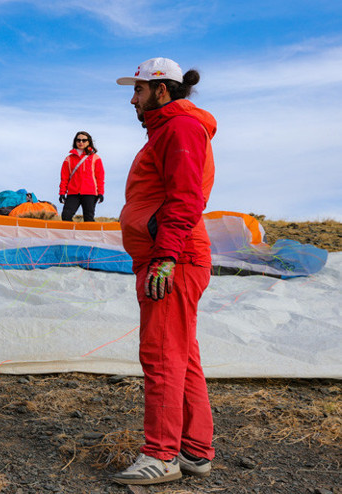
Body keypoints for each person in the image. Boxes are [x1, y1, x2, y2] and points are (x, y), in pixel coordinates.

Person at [111, 58, 217, 485]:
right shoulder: (169, 130)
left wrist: (165, 256)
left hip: (173, 258)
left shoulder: (180, 128)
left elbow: (186, 198)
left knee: (161, 355)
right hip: (170, 255)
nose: (132, 99)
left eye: (138, 90)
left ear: (161, 90)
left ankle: (161, 454)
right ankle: (194, 450)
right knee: (183, 355)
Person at [58, 131, 104, 222]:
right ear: (75, 142)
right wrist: (62, 192)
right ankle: (72, 236)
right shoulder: (69, 159)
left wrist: (101, 192)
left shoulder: (95, 158)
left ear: (88, 142)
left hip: (90, 193)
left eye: (84, 140)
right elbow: (64, 178)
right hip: (73, 192)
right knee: (66, 216)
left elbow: (100, 177)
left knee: (88, 219)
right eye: (78, 140)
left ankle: (90, 236)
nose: (81, 142)